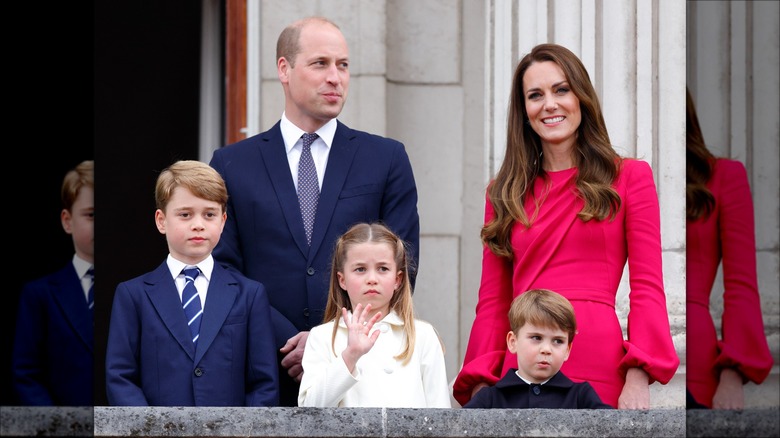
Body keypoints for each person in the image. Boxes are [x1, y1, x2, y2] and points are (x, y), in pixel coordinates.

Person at [453, 43, 679, 409]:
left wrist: (639, 375)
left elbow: (648, 286)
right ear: (524, 112)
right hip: (524, 364)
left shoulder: (629, 177)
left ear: (581, 97)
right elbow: (493, 301)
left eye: (561, 90)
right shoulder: (504, 193)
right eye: (535, 95)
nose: (550, 104)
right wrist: (481, 381)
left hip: (598, 360)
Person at [209, 16, 420, 406]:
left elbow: (402, 264)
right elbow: (221, 270)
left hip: (361, 373)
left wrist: (328, 343)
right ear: (284, 69)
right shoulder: (232, 163)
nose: (335, 77)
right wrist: (285, 340)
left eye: (343, 65)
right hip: (260, 370)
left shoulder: (385, 158)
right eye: (320, 63)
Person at [105, 160, 279, 406]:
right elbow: (120, 377)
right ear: (161, 220)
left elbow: (263, 384)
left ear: (223, 220)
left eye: (209, 214)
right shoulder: (132, 295)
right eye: (185, 214)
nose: (198, 224)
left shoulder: (249, 294)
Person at [685, 88, 772, 409]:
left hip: (695, 362)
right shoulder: (615, 181)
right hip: (620, 355)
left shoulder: (723, 177)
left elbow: (741, 285)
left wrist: (733, 373)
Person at [298, 222, 449, 407]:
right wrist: (350, 356)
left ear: (398, 279)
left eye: (383, 269)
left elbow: (441, 416)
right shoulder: (322, 337)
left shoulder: (423, 336)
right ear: (342, 280)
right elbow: (309, 410)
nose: (371, 279)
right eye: (360, 269)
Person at [11, 160, 94, 405]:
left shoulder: (135, 289)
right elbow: (26, 374)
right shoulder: (39, 295)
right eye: (91, 215)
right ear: (67, 221)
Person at [463, 289, 612, 409]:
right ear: (513, 342)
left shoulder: (581, 396)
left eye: (558, 341)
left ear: (567, 350)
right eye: (536, 338)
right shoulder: (490, 398)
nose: (546, 349)